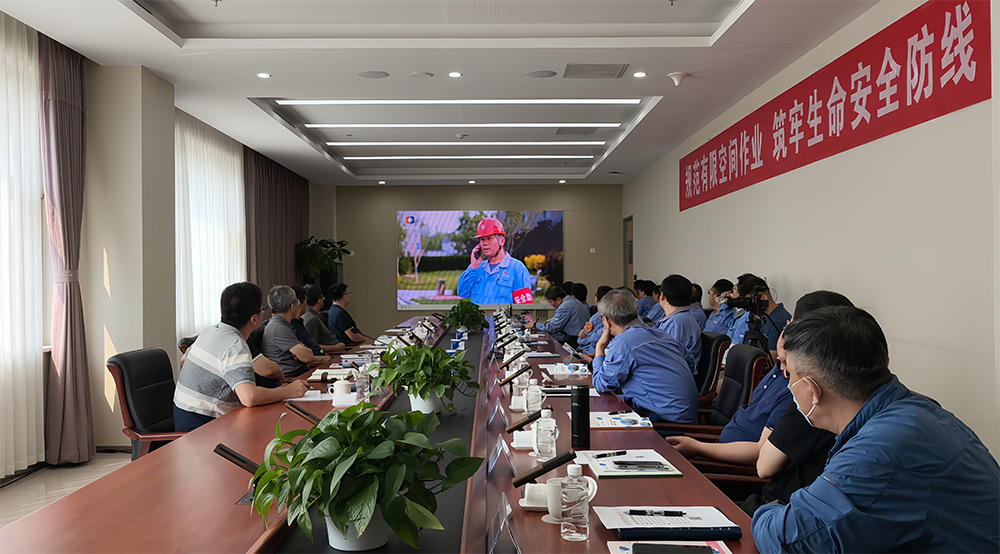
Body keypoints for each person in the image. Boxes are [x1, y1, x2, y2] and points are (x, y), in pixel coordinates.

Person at [751, 306, 1000, 553]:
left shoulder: (880, 449)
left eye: (790, 374)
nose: (788, 384)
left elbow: (790, 542)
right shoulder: (913, 413)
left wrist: (766, 509)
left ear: (811, 389)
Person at [665, 291, 853, 470]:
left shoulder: (798, 390)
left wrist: (698, 447)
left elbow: (762, 460)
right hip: (719, 449)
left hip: (730, 467)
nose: (785, 331)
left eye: (790, 325)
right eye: (788, 324)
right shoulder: (780, 369)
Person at [172, 282, 309, 432]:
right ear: (254, 319)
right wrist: (288, 391)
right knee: (280, 427)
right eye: (262, 310)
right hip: (204, 428)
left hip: (184, 419)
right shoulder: (235, 345)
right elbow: (249, 397)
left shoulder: (209, 332)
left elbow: (183, 361)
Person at [590, 289, 698, 424]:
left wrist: (599, 348)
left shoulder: (624, 342)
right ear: (636, 311)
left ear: (606, 321)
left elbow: (601, 384)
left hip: (664, 422)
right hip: (682, 414)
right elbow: (690, 363)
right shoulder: (661, 334)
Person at [456, 217, 533, 305]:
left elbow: (524, 307)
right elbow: (462, 293)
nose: (485, 243)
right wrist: (473, 267)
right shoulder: (477, 269)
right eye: (482, 239)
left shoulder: (517, 268)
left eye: (489, 238)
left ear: (502, 241)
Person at [262, 285, 331, 377]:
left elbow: (305, 355)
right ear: (293, 306)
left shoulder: (284, 324)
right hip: (292, 377)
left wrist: (302, 352)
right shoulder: (279, 327)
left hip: (300, 372)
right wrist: (304, 351)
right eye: (297, 302)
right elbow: (307, 357)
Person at [726, 274, 791, 356]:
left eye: (749, 302)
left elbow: (772, 360)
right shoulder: (762, 318)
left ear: (762, 298)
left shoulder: (778, 321)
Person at [655, 275, 702, 375]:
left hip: (674, 377)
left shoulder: (677, 322)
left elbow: (666, 357)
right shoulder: (679, 318)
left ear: (662, 296)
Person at [294, 286, 346, 355]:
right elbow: (312, 347)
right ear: (319, 301)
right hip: (332, 354)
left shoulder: (311, 316)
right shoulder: (312, 319)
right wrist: (336, 347)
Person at [577, 285, 613, 355]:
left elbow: (582, 339)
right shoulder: (614, 318)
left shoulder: (596, 318)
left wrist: (586, 336)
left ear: (596, 299)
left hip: (590, 353)